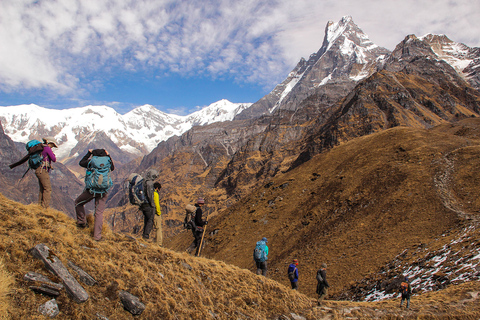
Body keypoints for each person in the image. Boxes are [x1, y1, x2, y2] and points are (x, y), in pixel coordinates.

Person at [75, 149, 114, 241]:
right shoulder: (108, 162)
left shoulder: (91, 162)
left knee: (78, 202)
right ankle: (97, 237)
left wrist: (89, 153)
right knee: (99, 213)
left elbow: (81, 163)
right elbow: (112, 168)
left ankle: (82, 222)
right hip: (104, 191)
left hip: (92, 190)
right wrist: (108, 155)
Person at [34, 137, 58, 208]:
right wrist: (52, 154)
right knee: (47, 189)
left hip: (38, 170)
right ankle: (45, 207)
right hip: (43, 170)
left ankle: (40, 206)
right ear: (50, 143)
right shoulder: (47, 148)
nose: (52, 147)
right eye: (52, 145)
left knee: (42, 189)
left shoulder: (41, 147)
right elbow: (54, 159)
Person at [139, 169, 159, 240]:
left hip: (143, 204)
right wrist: (153, 205)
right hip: (148, 204)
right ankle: (146, 237)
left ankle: (144, 235)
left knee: (146, 220)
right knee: (150, 220)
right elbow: (150, 195)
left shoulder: (144, 181)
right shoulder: (150, 183)